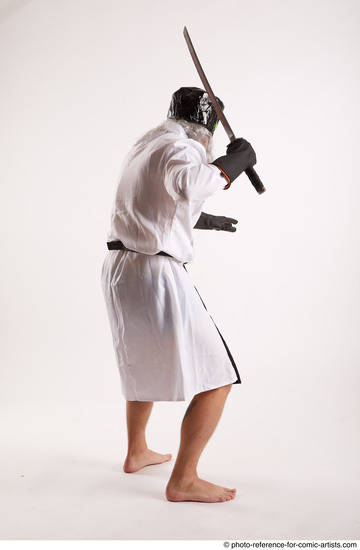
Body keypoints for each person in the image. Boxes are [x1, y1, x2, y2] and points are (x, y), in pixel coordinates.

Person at [101, 87, 256, 503]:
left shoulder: (147, 143)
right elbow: (190, 181)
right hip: (155, 272)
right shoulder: (181, 147)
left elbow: (153, 201)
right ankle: (184, 478)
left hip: (122, 269)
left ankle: (137, 451)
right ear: (205, 127)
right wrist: (234, 163)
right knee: (220, 375)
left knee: (140, 358)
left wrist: (202, 221)